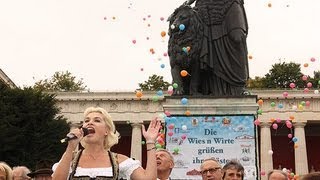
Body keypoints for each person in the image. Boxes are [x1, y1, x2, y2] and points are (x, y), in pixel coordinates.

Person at [52, 106, 161, 180]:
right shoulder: (70, 158)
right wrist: (71, 147)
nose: (90, 123)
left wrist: (150, 141)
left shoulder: (119, 160)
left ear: (106, 131)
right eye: (86, 121)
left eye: (97, 120)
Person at [185, 0, 249, 96]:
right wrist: (188, 3)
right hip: (206, 6)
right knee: (208, 46)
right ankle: (213, 88)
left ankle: (238, 85)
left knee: (238, 37)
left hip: (230, 3)